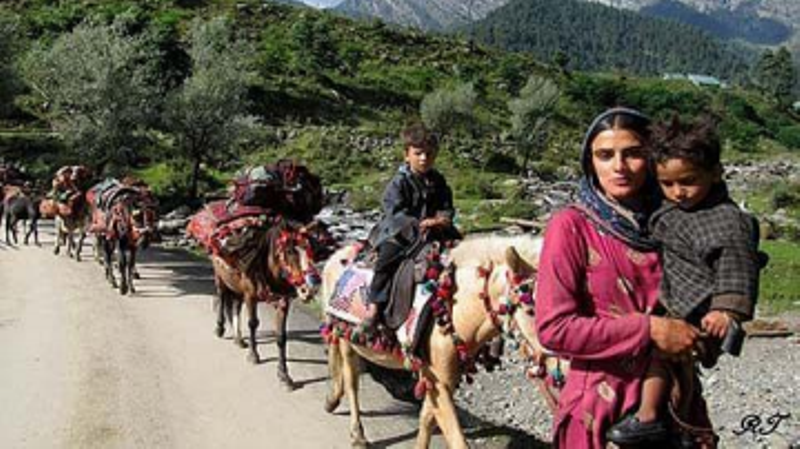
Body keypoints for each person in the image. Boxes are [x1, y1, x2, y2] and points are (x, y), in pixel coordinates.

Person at [534, 107, 710, 448]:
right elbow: (554, 328)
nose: (619, 166)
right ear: (590, 162)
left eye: (633, 153)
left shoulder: (678, 221)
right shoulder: (571, 227)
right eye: (605, 155)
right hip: (602, 406)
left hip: (677, 400)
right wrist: (650, 330)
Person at [606, 116, 762, 445]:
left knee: (664, 356)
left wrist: (726, 310)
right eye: (667, 183)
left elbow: (738, 268)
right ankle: (676, 421)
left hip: (702, 309)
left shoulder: (728, 221)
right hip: (674, 301)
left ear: (715, 173)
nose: (678, 192)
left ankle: (649, 417)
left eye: (688, 181)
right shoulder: (672, 208)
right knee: (672, 364)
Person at [362, 122, 461, 329]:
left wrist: (443, 218)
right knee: (387, 259)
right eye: (418, 153)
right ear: (406, 155)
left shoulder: (439, 181)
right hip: (400, 232)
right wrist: (419, 223)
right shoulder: (399, 182)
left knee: (463, 252)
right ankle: (374, 305)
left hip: (436, 232)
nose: (424, 158)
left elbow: (446, 207)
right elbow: (394, 212)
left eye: (429, 154)